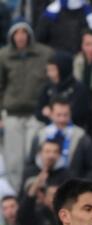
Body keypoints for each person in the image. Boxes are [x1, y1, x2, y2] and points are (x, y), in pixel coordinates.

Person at [0, 19, 53, 192]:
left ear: (29, 35)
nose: (20, 36)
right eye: (17, 32)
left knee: (32, 156)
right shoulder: (3, 56)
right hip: (13, 114)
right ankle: (15, 194)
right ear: (12, 35)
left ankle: (32, 192)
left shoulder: (44, 54)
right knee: (14, 159)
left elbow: (51, 83)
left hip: (35, 114)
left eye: (24, 32)